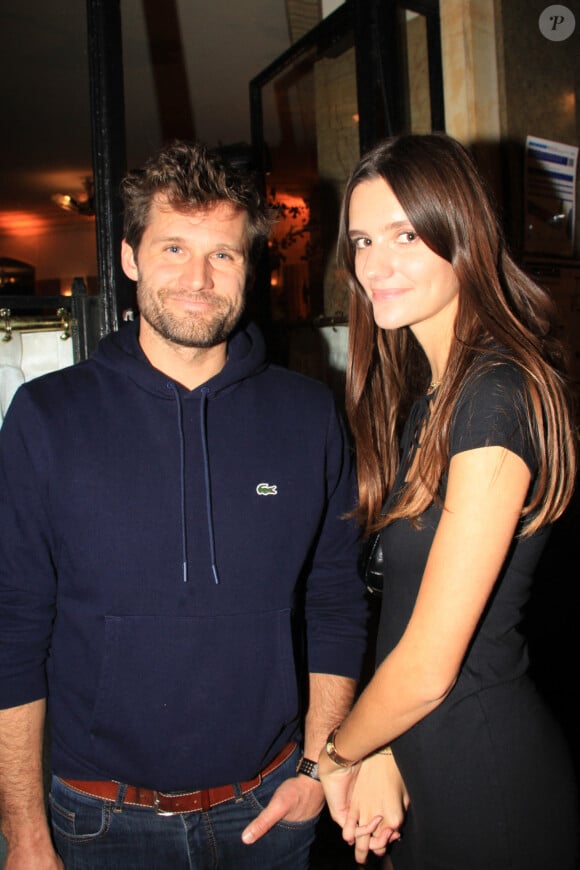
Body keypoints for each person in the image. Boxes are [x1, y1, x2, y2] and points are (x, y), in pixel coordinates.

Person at [0, 140, 369, 870]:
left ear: (250, 268)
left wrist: (317, 771)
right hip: (95, 823)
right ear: (130, 257)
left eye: (223, 255)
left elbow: (335, 604)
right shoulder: (45, 416)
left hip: (267, 815)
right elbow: (12, 634)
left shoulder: (308, 414)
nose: (198, 278)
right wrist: (25, 833)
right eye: (173, 247)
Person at [316, 132, 580, 869]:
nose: (376, 263)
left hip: (484, 771)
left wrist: (335, 757)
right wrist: (388, 753)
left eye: (406, 233)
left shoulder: (497, 393)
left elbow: (433, 663)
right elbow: (408, 617)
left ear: (461, 232)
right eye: (364, 239)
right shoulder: (434, 396)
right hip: (427, 755)